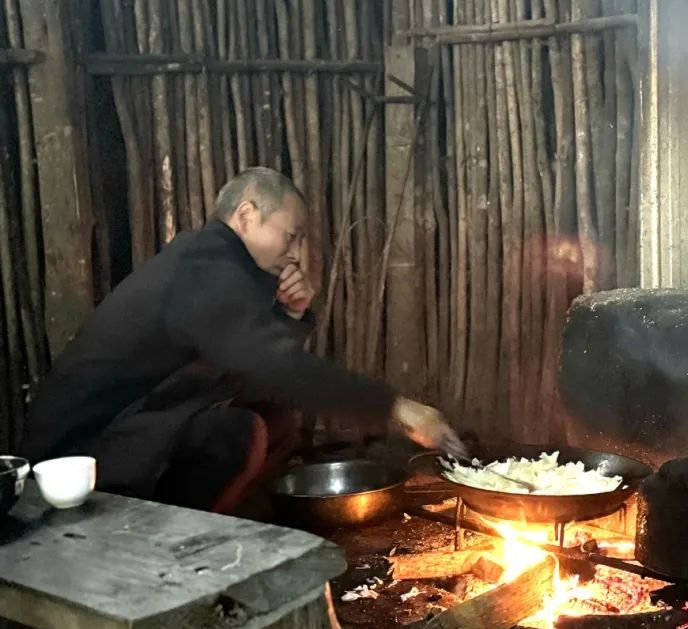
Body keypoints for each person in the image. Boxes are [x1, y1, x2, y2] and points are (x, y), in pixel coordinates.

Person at [22, 167, 462, 513]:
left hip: (131, 431)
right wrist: (395, 408)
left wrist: (289, 316)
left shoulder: (219, 267)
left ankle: (197, 524)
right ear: (247, 215)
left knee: (275, 422)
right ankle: (170, 551)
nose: (295, 252)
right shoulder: (204, 267)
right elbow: (269, 365)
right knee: (238, 434)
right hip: (74, 462)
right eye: (290, 236)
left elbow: (245, 368)